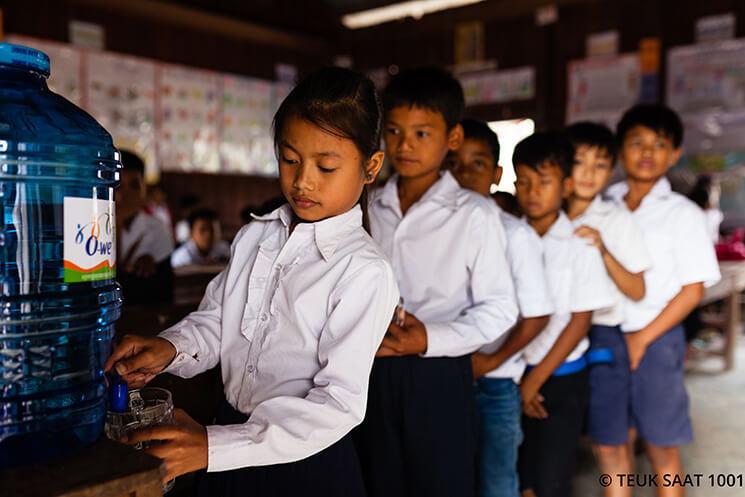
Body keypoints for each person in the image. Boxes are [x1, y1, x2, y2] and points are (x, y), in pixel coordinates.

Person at [105, 67, 399, 496]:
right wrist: (169, 347)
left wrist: (215, 446)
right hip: (223, 442)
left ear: (370, 167)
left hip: (303, 463)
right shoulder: (256, 235)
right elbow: (219, 321)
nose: (303, 181)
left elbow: (336, 405)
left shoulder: (365, 272)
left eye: (326, 166)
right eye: (290, 159)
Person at [355, 67, 518, 497]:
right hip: (368, 370)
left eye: (422, 133)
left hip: (439, 373)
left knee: (441, 482)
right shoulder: (367, 204)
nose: (404, 144)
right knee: (381, 479)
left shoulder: (473, 214)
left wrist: (430, 337)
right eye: (393, 130)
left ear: (453, 139)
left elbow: (500, 308)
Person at [606, 104, 720, 497]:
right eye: (637, 142)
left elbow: (693, 291)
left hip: (657, 340)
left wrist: (641, 338)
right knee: (614, 444)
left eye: (659, 145)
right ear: (620, 149)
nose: (647, 152)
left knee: (660, 447)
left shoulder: (682, 214)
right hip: (605, 338)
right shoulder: (605, 203)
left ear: (674, 154)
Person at [449, 118, 553, 497]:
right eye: (454, 164)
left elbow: (537, 315)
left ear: (495, 174)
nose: (464, 175)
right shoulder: (433, 234)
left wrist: (490, 362)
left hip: (496, 384)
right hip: (442, 379)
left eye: (477, 164)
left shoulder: (516, 234)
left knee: (496, 483)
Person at [512, 131, 614, 497]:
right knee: (519, 475)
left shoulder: (579, 244)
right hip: (513, 374)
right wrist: (523, 383)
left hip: (561, 379)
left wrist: (534, 382)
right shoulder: (506, 237)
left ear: (566, 185)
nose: (532, 191)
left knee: (552, 478)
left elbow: (579, 320)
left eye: (544, 182)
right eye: (523, 182)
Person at [564, 121, 651, 497]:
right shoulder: (543, 213)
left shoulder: (617, 220)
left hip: (602, 336)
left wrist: (602, 248)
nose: (588, 173)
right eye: (580, 161)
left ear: (610, 170)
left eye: (600, 165)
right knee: (551, 441)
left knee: (610, 444)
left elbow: (637, 288)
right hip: (551, 335)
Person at [116, 150, 175, 305]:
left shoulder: (157, 228)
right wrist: (117, 222)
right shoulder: (90, 227)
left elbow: (163, 292)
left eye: (134, 185)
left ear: (145, 190)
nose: (126, 195)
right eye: (118, 186)